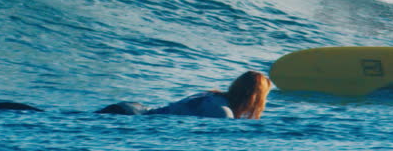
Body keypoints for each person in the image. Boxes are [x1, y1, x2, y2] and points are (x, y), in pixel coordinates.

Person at [96, 70, 271, 119]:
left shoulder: (211, 96)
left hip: (131, 109)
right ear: (255, 97)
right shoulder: (223, 113)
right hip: (130, 117)